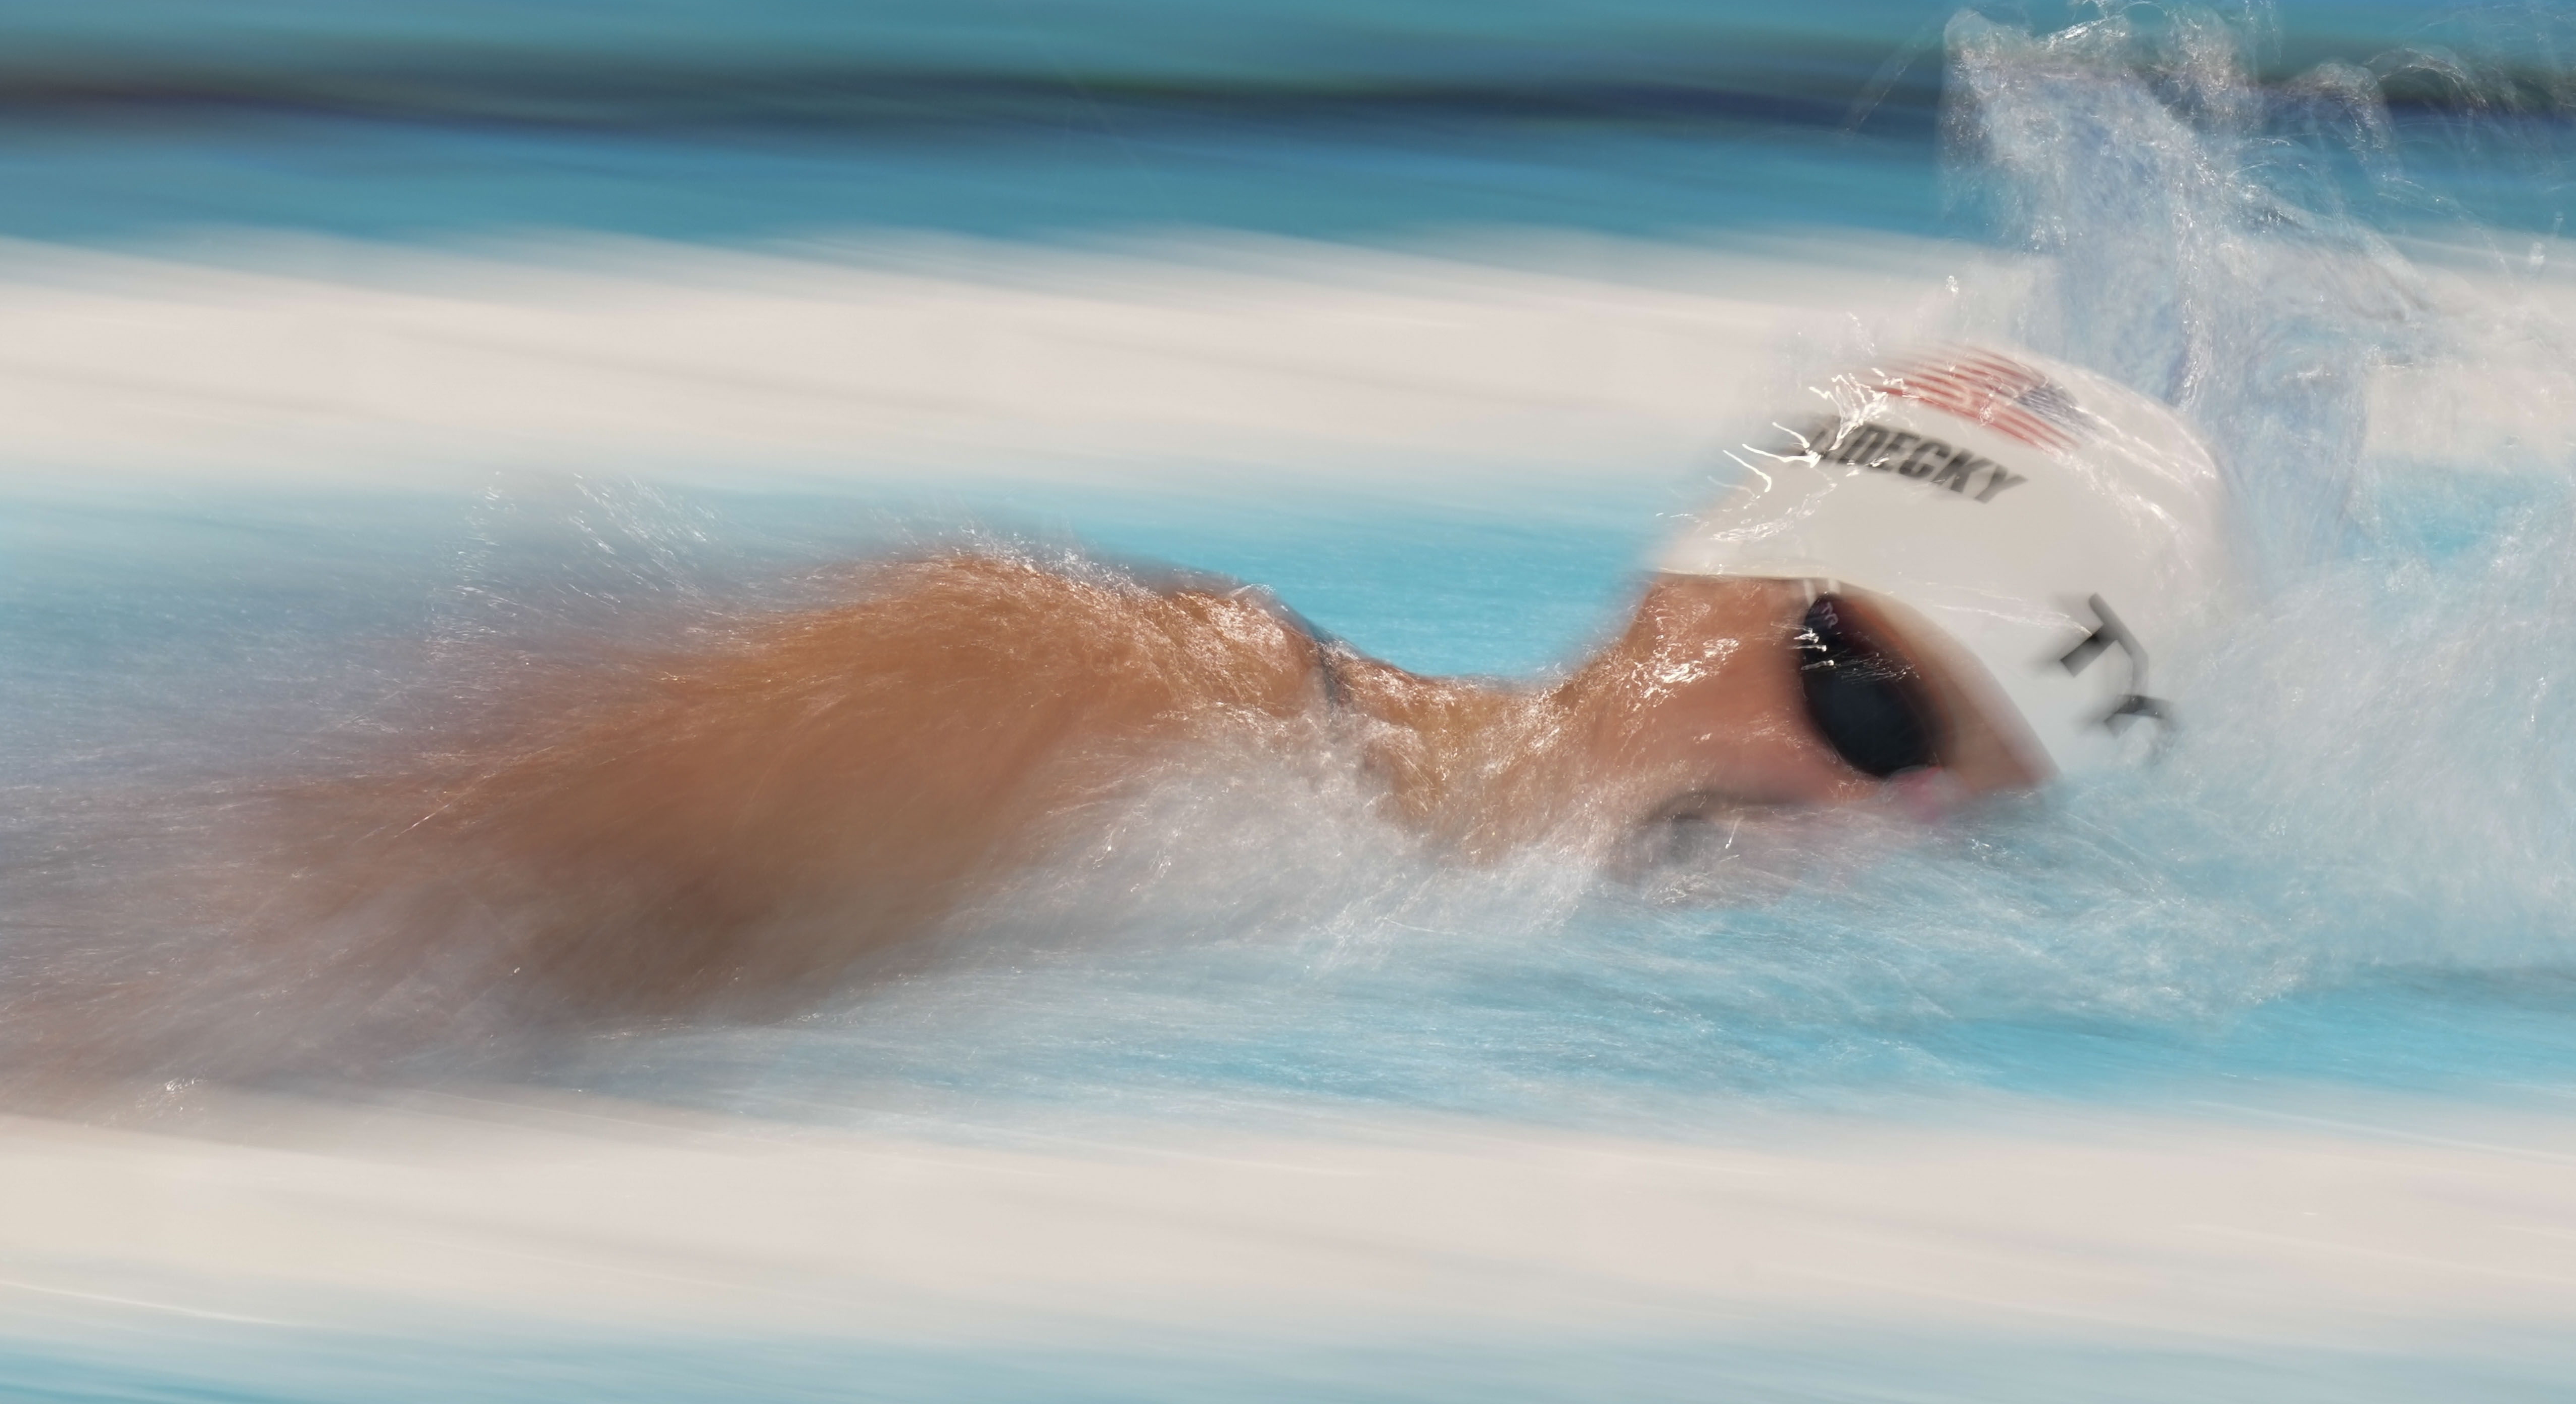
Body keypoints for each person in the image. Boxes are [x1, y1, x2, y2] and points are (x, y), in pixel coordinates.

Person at [183, 343, 2232, 1050]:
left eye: (1966, 800)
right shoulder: (1092, 696)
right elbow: (312, 950)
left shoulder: (1433, 941)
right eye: (1865, 702)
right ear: (1694, 588)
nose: (1856, 817)